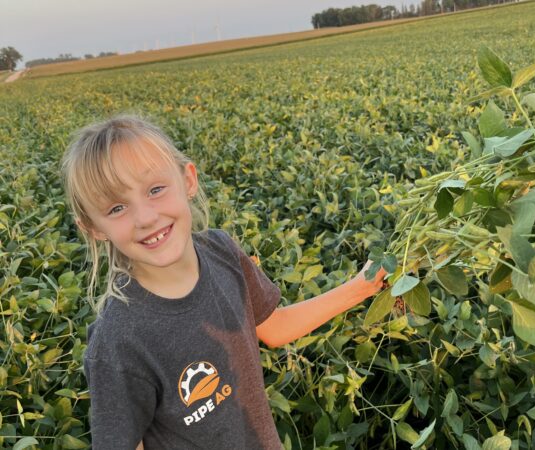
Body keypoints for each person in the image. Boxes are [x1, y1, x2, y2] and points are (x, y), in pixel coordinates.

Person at [61, 114, 387, 450]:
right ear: (93, 227)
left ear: (188, 180)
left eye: (156, 189)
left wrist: (363, 286)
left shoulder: (222, 251)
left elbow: (274, 328)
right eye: (117, 208)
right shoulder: (119, 340)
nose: (145, 217)